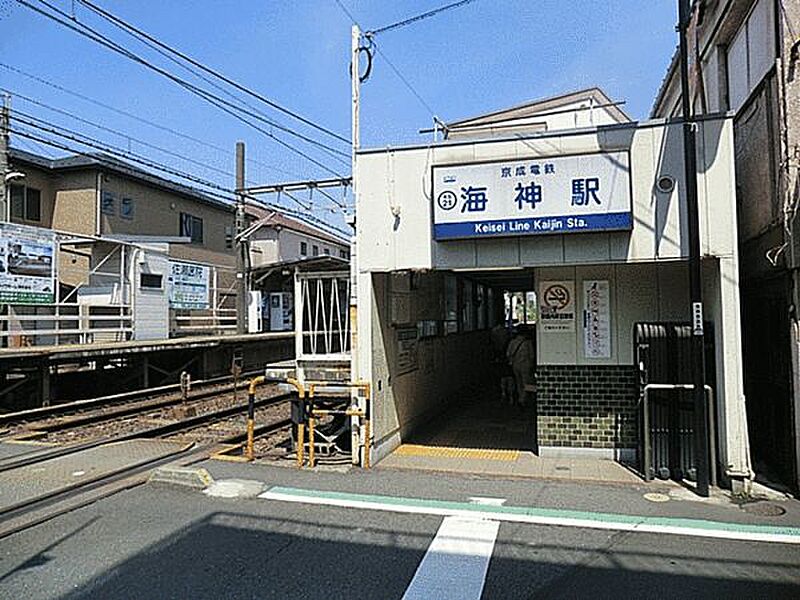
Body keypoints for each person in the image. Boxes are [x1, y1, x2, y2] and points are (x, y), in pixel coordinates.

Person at [506, 326, 534, 407]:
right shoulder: (528, 343)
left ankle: (520, 397)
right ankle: (523, 398)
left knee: (518, 382)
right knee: (526, 382)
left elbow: (508, 354)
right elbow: (531, 355)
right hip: (526, 365)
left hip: (515, 365)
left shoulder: (512, 342)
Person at [490, 322, 515, 404]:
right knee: (510, 378)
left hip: (500, 361)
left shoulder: (495, 339)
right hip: (509, 361)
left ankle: (503, 393)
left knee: (502, 378)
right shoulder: (509, 340)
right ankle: (511, 396)